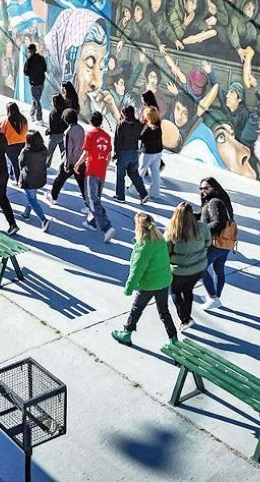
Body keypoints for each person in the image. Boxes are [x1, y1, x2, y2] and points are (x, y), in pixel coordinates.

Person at [111, 213, 178, 347]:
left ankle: (127, 333)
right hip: (163, 282)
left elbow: (137, 270)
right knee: (164, 312)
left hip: (149, 284)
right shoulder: (160, 240)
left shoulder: (143, 247)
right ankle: (173, 339)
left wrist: (129, 287)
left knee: (137, 308)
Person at [165, 202, 212, 331]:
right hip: (198, 269)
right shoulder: (202, 228)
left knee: (175, 292)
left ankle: (185, 319)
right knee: (188, 291)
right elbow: (208, 242)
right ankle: (187, 317)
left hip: (179, 271)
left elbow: (166, 252)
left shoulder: (172, 233)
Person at [76, 111, 116, 243]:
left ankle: (107, 227)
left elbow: (86, 154)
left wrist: (77, 164)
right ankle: (91, 222)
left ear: (91, 122)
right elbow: (109, 155)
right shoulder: (107, 136)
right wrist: (104, 165)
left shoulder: (91, 134)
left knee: (92, 201)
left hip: (92, 171)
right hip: (102, 172)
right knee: (96, 198)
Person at [199, 176, 235, 311]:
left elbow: (217, 222)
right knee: (219, 270)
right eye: (201, 188)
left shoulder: (214, 202)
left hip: (215, 244)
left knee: (200, 268)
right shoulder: (223, 198)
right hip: (226, 243)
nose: (203, 191)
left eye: (206, 188)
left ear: (214, 187)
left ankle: (213, 297)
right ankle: (216, 298)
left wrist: (201, 231)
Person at [49, 108, 88, 202]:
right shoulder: (81, 129)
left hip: (70, 162)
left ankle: (53, 197)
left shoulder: (68, 132)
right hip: (80, 161)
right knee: (82, 184)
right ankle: (88, 201)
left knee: (59, 180)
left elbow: (68, 150)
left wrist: (66, 164)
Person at [113, 105, 149, 203]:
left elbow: (117, 141)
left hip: (124, 153)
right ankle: (143, 194)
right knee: (134, 174)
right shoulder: (137, 123)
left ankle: (120, 196)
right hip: (134, 153)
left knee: (120, 175)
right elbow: (142, 130)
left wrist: (115, 154)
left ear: (124, 113)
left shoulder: (121, 124)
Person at [18, 131, 51, 231]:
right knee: (32, 197)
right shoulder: (44, 149)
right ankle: (26, 214)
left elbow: (21, 163)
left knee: (32, 200)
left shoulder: (26, 151)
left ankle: (43, 220)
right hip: (40, 177)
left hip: (29, 179)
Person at [139, 105, 165, 200]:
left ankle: (135, 190)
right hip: (157, 152)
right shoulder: (158, 125)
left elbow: (140, 136)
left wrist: (142, 124)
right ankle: (155, 193)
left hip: (148, 152)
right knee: (155, 173)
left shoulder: (148, 128)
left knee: (141, 171)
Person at [1, 103, 29, 183]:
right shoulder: (23, 119)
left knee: (14, 162)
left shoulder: (6, 121)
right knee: (14, 160)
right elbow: (26, 130)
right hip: (22, 143)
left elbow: (1, 133)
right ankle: (11, 174)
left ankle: (18, 180)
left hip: (10, 144)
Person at [23, 43, 48, 123]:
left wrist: (32, 73)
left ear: (30, 51)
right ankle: (32, 114)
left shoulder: (29, 60)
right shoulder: (41, 58)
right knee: (36, 99)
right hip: (41, 82)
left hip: (34, 83)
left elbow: (25, 72)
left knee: (37, 100)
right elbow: (45, 69)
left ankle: (39, 118)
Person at [45, 93, 68, 168]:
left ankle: (46, 166)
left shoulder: (53, 113)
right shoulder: (66, 111)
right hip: (64, 135)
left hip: (54, 136)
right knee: (64, 153)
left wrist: (47, 131)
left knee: (49, 152)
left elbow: (52, 128)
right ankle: (64, 167)